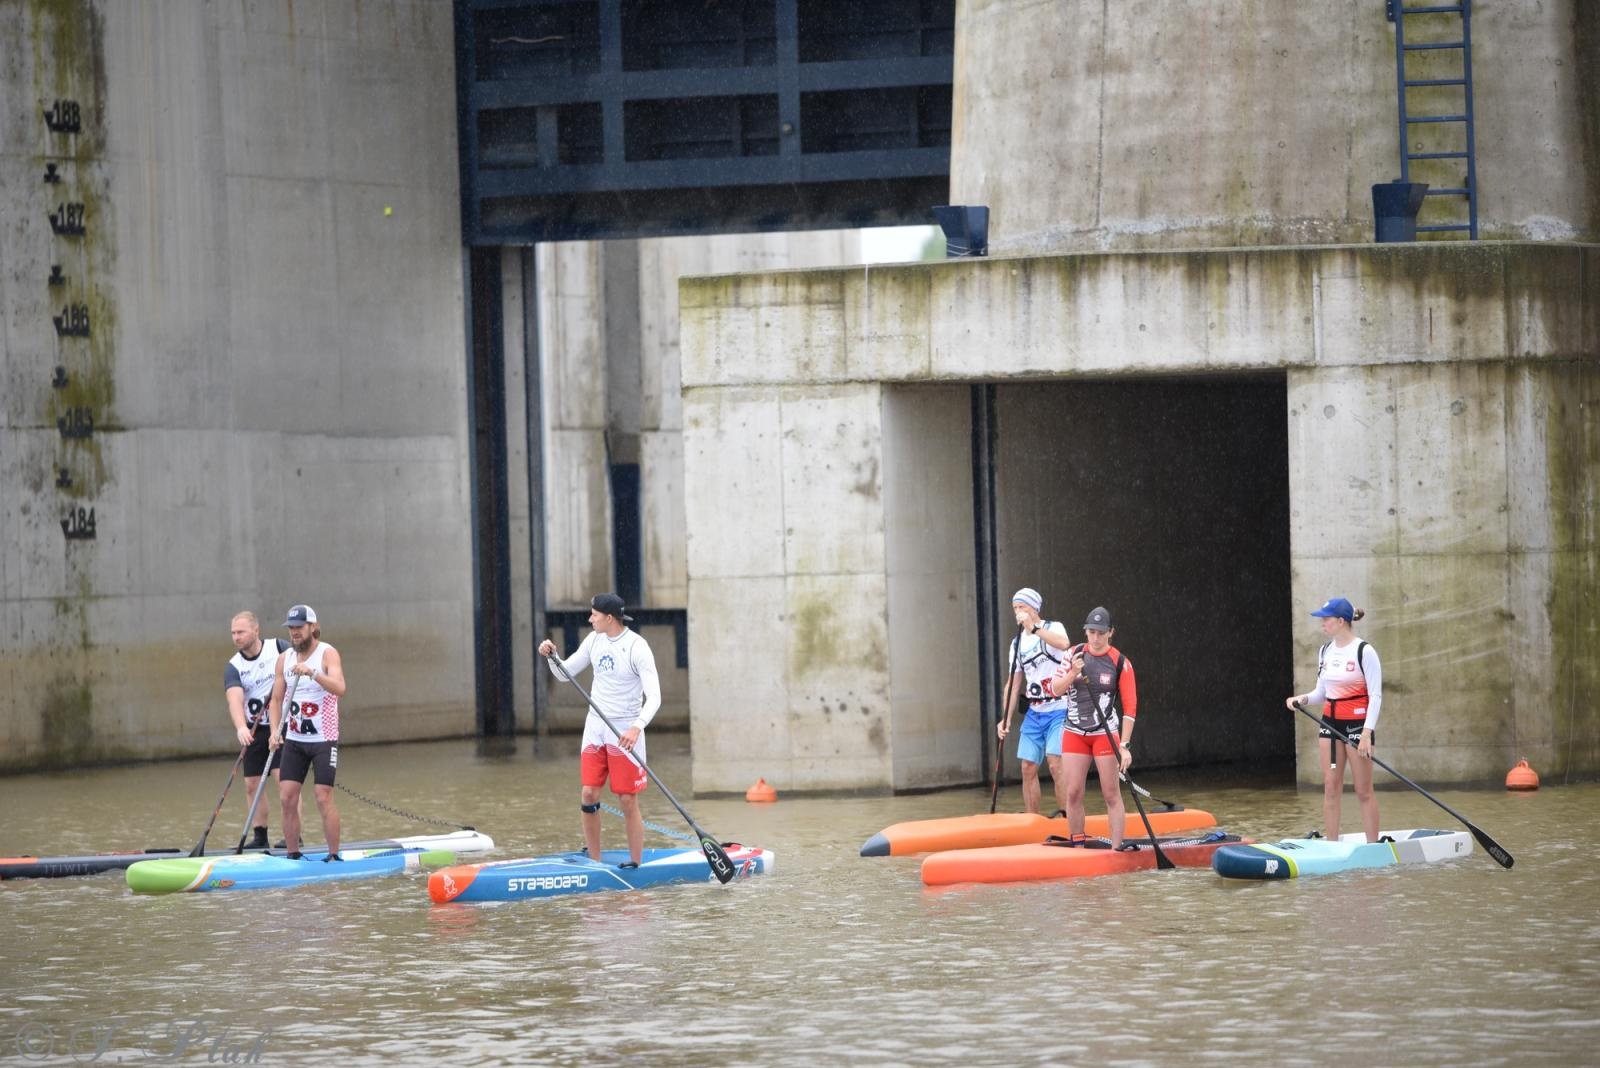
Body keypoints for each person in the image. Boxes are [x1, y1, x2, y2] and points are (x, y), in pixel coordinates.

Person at [538, 592, 660, 868]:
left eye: (594, 614)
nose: (589, 618)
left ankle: (636, 864)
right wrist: (552, 656)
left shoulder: (637, 647)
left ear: (609, 618)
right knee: (589, 794)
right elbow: (564, 674)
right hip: (595, 727)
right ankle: (594, 861)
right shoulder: (594, 640)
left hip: (625, 728)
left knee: (627, 798)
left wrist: (636, 728)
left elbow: (655, 697)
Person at [1286, 597, 1383, 843]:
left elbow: (1376, 696)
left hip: (1356, 728)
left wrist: (1366, 734)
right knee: (1330, 787)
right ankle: (1332, 846)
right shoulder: (1325, 651)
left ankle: (1373, 847)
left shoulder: (1365, 651)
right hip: (1330, 726)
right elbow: (1321, 693)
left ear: (1341, 621)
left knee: (1363, 791)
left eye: (1326, 620)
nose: (1322, 624)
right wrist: (1302, 699)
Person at [1046, 606, 1137, 849]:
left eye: (1100, 632)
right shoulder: (1073, 654)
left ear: (1110, 633)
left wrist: (1125, 746)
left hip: (1105, 734)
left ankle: (1117, 850)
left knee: (1110, 794)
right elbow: (1055, 690)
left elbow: (1130, 709)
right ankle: (1077, 845)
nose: (1095, 638)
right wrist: (1073, 673)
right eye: (1090, 632)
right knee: (1073, 792)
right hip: (1074, 732)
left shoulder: (1120, 662)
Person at [268, 604, 346, 860]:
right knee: (287, 797)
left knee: (322, 798)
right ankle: (293, 855)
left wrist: (312, 673)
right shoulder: (284, 659)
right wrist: (274, 732)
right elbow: (276, 701)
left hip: (324, 739)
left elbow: (339, 688)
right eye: (291, 628)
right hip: (295, 740)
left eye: (299, 627)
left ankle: (333, 855)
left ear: (313, 627)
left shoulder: (327, 653)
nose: (294, 633)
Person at [994, 588, 1073, 816]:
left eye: (1023, 607)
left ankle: (1066, 818)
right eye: (1015, 608)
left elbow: (1064, 643)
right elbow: (1014, 683)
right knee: (1027, 767)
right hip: (1035, 712)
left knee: (1056, 764)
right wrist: (1005, 719)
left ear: (1034, 608)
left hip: (1059, 708)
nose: (1018, 612)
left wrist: (1034, 628)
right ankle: (1033, 821)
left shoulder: (1052, 627)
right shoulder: (1016, 643)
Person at [223, 611, 288, 849]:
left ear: (256, 631)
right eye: (233, 633)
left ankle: (293, 836)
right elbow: (234, 700)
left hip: (282, 725)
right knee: (252, 784)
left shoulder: (279, 648)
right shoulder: (234, 666)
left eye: (241, 632)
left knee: (284, 781)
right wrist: (241, 727)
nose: (236, 637)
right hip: (254, 729)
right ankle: (260, 838)